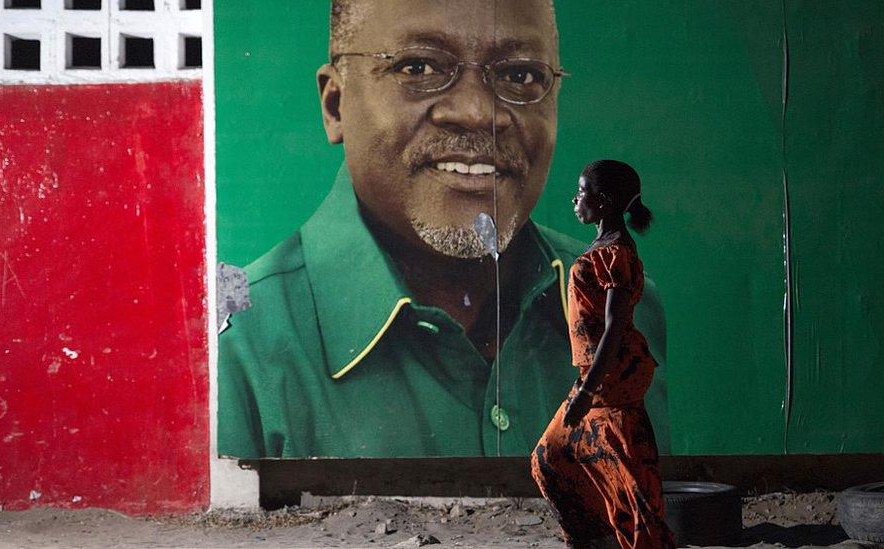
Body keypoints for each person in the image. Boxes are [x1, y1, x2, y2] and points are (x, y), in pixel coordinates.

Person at [217, 0, 670, 458]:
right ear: (336, 105)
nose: (476, 112)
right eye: (418, 66)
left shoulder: (624, 298)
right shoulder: (235, 346)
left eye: (520, 75)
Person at [531, 160, 675, 548]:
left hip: (610, 384)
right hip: (597, 379)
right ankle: (594, 538)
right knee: (551, 459)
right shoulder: (600, 247)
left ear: (606, 202)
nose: (575, 199)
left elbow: (614, 327)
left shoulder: (616, 253)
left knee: (632, 486)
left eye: (582, 193)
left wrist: (586, 392)